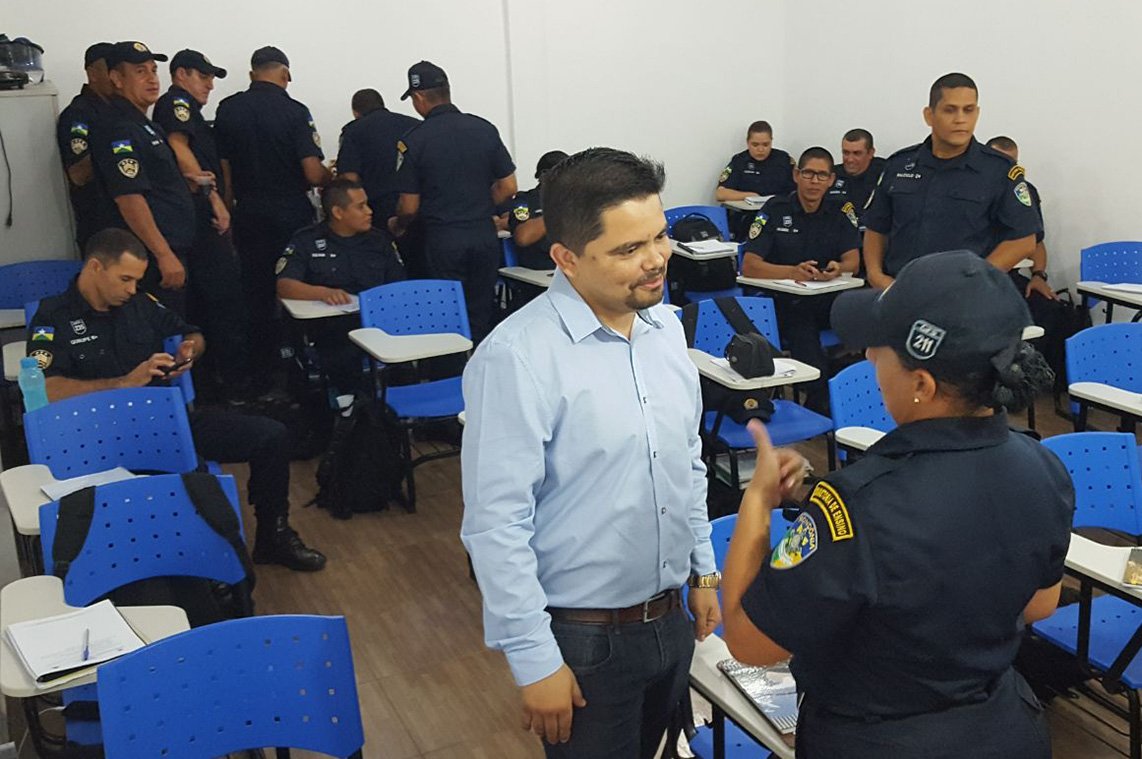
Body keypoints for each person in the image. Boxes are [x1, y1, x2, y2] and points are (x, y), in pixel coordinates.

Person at [721, 250, 1074, 758]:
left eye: (879, 349)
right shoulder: (1043, 467)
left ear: (922, 384)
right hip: (1001, 726)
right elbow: (1039, 603)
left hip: (879, 738)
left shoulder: (859, 506)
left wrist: (757, 503)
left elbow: (748, 642)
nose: (867, 358)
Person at [461, 148, 721, 758]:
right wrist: (533, 661)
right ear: (567, 258)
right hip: (585, 640)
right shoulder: (518, 357)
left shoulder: (665, 327)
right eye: (628, 250)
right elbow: (497, 525)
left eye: (659, 236)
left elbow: (685, 461)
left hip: (670, 617)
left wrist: (702, 568)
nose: (656, 259)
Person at [27, 228, 328, 572]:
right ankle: (194, 565)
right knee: (190, 483)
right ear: (95, 268)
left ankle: (274, 535)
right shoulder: (51, 318)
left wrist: (188, 351)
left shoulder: (139, 303)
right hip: (97, 438)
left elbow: (192, 332)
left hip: (163, 423)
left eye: (136, 280)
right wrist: (123, 383)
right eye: (124, 279)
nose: (131, 289)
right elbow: (45, 390)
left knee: (271, 436)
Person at [214, 46, 331, 391]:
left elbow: (225, 171)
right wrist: (333, 179)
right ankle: (300, 371)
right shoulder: (295, 111)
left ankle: (261, 376)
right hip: (291, 215)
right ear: (286, 75)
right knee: (297, 290)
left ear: (252, 74)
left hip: (248, 213)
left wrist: (230, 212)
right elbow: (311, 172)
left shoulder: (228, 109)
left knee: (254, 295)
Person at [861, 73, 1041, 289]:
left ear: (977, 113)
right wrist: (875, 274)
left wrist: (975, 280)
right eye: (950, 110)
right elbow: (876, 227)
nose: (960, 119)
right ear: (929, 115)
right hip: (899, 292)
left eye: (969, 110)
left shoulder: (999, 170)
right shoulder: (899, 164)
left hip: (965, 300)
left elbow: (1023, 239)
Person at [389, 60, 517, 342]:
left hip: (443, 239)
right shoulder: (484, 129)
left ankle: (450, 380)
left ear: (419, 97)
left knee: (446, 321)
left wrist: (398, 224)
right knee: (481, 314)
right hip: (484, 235)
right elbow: (509, 186)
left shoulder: (414, 140)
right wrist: (482, 206)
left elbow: (409, 206)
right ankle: (483, 380)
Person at [153, 49, 249, 397]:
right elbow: (180, 149)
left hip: (200, 219)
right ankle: (230, 388)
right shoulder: (176, 104)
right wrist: (214, 200)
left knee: (218, 303)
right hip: (200, 217)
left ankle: (220, 385)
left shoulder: (190, 110)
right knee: (222, 301)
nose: (210, 85)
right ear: (181, 75)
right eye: (203, 76)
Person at [741, 147, 860, 414]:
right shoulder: (775, 209)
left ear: (831, 180)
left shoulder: (840, 210)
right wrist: (791, 272)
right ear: (797, 175)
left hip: (828, 297)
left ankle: (858, 392)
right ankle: (821, 401)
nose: (814, 181)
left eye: (821, 175)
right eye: (808, 173)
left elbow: (853, 261)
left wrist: (837, 268)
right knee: (801, 322)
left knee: (869, 312)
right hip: (785, 301)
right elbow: (749, 266)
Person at [89, 41, 195, 315]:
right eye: (140, 71)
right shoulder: (117, 127)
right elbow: (129, 197)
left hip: (166, 252)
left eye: (153, 70)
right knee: (154, 342)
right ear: (117, 79)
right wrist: (163, 254)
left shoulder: (145, 124)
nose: (151, 79)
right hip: (146, 261)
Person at [276, 178, 405, 394]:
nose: (369, 211)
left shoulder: (380, 241)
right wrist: (323, 293)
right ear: (338, 212)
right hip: (332, 328)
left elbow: (399, 285)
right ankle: (348, 413)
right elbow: (285, 286)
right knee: (340, 359)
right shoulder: (307, 240)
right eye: (360, 206)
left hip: (379, 325)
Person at [56, 42, 115, 252]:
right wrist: (111, 140)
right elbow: (78, 174)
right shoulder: (78, 115)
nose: (117, 77)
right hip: (100, 229)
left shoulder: (120, 112)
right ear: (92, 74)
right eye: (111, 70)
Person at [336, 88, 419, 221]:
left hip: (376, 211)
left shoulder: (353, 131)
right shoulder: (415, 125)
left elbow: (349, 178)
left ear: (355, 112)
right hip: (418, 209)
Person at [715, 121, 796, 241]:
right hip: (748, 218)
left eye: (765, 144)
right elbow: (720, 194)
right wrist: (748, 196)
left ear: (771, 141)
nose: (761, 149)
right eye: (755, 144)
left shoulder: (783, 160)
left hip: (779, 215)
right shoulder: (739, 161)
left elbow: (797, 189)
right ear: (747, 142)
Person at [508, 150, 567, 270]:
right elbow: (523, 237)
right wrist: (556, 213)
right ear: (544, 174)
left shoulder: (576, 199)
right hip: (541, 269)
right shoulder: (525, 200)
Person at [827, 128, 886, 231]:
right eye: (846, 153)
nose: (850, 159)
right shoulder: (831, 175)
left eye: (857, 153)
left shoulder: (886, 174)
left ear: (871, 153)